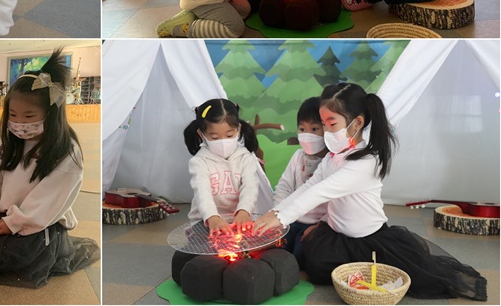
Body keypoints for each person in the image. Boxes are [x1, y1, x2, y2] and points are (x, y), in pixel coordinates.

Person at [254, 83, 487, 301]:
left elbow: (321, 192)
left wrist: (281, 217)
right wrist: (277, 212)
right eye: (323, 124)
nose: (325, 131)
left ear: (357, 123)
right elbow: (309, 186)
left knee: (404, 275)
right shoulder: (333, 157)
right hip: (336, 234)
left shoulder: (365, 162)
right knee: (315, 262)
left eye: (331, 124)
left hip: (368, 239)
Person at [0, 49, 100, 288]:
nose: (19, 123)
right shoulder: (11, 144)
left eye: (29, 116)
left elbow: (50, 198)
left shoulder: (65, 151)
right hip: (7, 215)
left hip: (39, 222)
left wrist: (17, 222)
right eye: (13, 115)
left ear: (51, 114)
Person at [183, 98, 271, 235]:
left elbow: (250, 187)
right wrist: (212, 217)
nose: (223, 142)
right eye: (215, 138)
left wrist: (244, 211)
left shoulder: (245, 157)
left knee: (255, 241)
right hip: (205, 220)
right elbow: (202, 193)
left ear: (238, 129)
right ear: (202, 135)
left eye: (229, 135)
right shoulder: (199, 162)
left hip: (240, 217)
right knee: (210, 244)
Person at [272, 97, 328, 268]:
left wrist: (322, 224)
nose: (307, 135)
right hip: (293, 219)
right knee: (276, 248)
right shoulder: (298, 157)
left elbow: (338, 203)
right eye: (302, 129)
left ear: (327, 129)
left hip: (318, 224)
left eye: (314, 129)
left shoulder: (331, 161)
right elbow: (284, 187)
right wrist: (277, 215)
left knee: (301, 254)